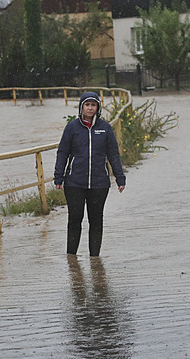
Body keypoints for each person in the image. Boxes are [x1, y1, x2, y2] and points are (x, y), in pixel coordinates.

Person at [54, 92, 125, 256]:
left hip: (99, 184)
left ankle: (95, 260)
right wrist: (58, 176)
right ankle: (71, 260)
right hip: (74, 183)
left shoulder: (105, 128)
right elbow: (62, 152)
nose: (90, 108)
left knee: (96, 221)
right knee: (74, 219)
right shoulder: (72, 128)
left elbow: (113, 154)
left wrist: (120, 178)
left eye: (93, 105)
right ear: (81, 107)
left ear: (98, 107)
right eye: (87, 105)